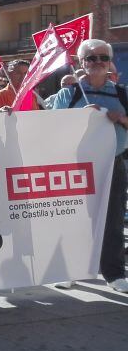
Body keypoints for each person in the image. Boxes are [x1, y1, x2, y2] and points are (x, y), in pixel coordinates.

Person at [49, 39, 128, 293]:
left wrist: (122, 119)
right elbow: (50, 127)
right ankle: (68, 270)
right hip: (76, 166)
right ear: (81, 63)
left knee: (113, 219)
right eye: (91, 58)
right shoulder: (68, 94)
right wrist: (79, 117)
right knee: (73, 218)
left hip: (112, 164)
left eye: (102, 57)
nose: (97, 62)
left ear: (109, 63)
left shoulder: (122, 94)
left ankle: (113, 273)